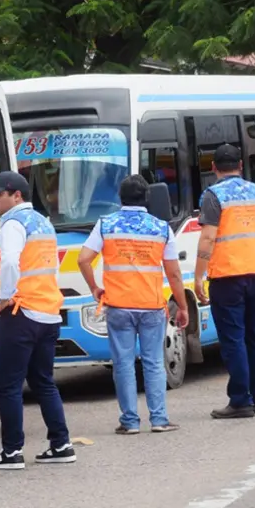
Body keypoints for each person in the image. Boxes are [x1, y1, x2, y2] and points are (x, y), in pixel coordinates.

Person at [77, 175, 189, 435]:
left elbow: (84, 259)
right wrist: (182, 306)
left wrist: (95, 287)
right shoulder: (161, 228)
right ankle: (159, 420)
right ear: (147, 198)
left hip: (118, 306)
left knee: (124, 364)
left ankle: (129, 422)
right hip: (151, 307)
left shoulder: (106, 224)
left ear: (120, 197)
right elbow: (173, 274)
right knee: (153, 363)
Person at [0, 170, 75, 470]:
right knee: (44, 382)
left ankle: (12, 452)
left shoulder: (13, 223)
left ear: (17, 195)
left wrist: (5, 297)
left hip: (19, 311)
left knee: (8, 385)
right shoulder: (43, 222)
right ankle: (61, 444)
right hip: (47, 313)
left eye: (0, 194)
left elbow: (10, 261)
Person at [194, 144, 255, 420]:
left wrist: (198, 276)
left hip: (226, 277)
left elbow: (208, 237)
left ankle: (240, 400)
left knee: (233, 340)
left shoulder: (213, 195)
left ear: (213, 167)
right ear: (241, 166)